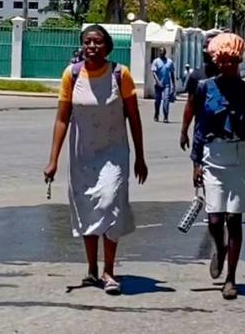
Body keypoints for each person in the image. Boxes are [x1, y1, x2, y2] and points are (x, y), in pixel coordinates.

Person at [43, 25, 148, 295]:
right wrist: (52, 160)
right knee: (88, 207)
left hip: (115, 154)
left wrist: (140, 157)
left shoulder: (120, 74)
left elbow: (134, 118)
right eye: (88, 42)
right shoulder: (72, 75)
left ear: (108, 46)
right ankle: (91, 269)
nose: (92, 46)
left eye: (98, 42)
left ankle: (109, 272)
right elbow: (62, 118)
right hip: (82, 155)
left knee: (110, 204)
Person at [188, 33, 245, 300]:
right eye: (222, 61)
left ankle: (231, 279)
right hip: (212, 157)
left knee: (235, 219)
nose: (227, 66)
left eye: (232, 61)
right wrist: (195, 163)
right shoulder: (205, 88)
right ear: (216, 61)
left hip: (239, 157)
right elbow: (200, 128)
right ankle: (220, 247)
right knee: (215, 220)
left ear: (239, 61)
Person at [180, 31, 220, 151]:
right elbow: (190, 106)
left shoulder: (228, 75)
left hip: (224, 136)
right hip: (202, 132)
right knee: (198, 167)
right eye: (205, 47)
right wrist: (183, 131)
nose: (207, 51)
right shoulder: (196, 76)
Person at [151, 48, 175, 123]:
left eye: (163, 52)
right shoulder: (156, 61)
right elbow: (154, 73)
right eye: (160, 51)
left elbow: (172, 73)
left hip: (166, 84)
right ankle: (156, 114)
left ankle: (165, 116)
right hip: (158, 85)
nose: (162, 53)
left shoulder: (169, 62)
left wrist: (174, 85)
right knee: (157, 101)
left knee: (166, 100)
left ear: (165, 52)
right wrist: (158, 82)